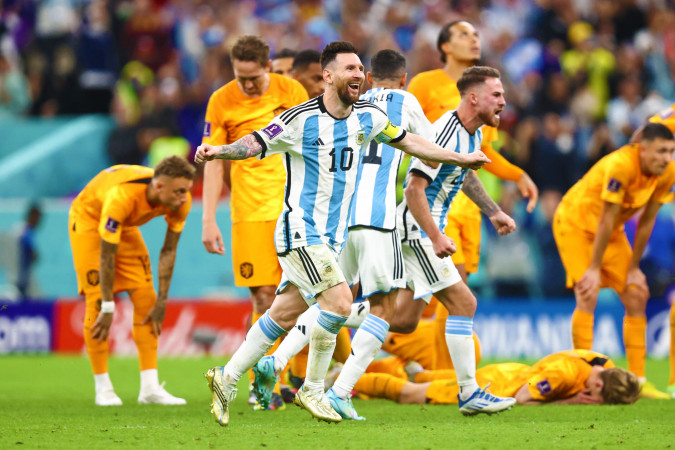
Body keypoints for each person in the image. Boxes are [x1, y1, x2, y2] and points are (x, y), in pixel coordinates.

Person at [195, 41, 490, 426]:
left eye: (359, 69)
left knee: (283, 314)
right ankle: (314, 390)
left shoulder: (367, 117)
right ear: (328, 76)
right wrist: (219, 151)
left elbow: (410, 141)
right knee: (338, 303)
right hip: (300, 230)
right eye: (348, 69)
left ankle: (227, 376)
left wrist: (460, 158)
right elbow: (254, 142)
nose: (357, 75)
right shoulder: (299, 119)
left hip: (333, 238)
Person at [253, 49, 435, 420]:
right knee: (384, 308)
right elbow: (431, 152)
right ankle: (340, 391)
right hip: (378, 219)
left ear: (367, 78)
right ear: (403, 79)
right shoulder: (405, 102)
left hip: (339, 223)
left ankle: (278, 359)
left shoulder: (354, 105)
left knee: (330, 301)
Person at [394, 65, 517, 415]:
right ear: (473, 97)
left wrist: (493, 211)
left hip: (423, 229)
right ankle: (469, 392)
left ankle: (327, 316)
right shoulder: (444, 133)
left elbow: (464, 176)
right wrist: (435, 236)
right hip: (418, 229)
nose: (503, 102)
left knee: (403, 320)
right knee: (464, 303)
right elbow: (413, 189)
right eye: (496, 95)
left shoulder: (473, 133)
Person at [200, 36, 308, 409]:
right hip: (248, 214)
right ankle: (260, 385)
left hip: (293, 209)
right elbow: (213, 160)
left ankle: (297, 378)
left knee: (304, 295)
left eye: (253, 78)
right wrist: (208, 219)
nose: (246, 85)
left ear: (267, 66)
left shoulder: (291, 91)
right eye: (240, 77)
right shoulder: (221, 100)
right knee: (263, 298)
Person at [553, 122, 675, 400]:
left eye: (671, 151)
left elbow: (647, 221)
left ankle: (638, 381)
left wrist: (633, 269)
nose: (667, 158)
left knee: (637, 293)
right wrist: (594, 269)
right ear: (642, 149)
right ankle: (583, 379)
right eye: (661, 151)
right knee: (588, 292)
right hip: (575, 224)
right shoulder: (621, 165)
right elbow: (606, 218)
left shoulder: (668, 172)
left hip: (611, 232)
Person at [68, 156, 195, 406]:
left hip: (123, 225)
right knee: (97, 303)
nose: (184, 197)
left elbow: (169, 250)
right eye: (179, 191)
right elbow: (107, 256)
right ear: (159, 186)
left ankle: (150, 388)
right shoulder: (122, 197)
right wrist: (108, 306)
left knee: (147, 300)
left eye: (186, 190)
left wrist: (162, 301)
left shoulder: (181, 201)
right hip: (88, 220)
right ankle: (103, 389)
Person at [352, 350, 640, 407]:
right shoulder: (562, 375)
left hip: (507, 371)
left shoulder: (604, 365)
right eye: (598, 398)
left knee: (422, 380)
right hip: (494, 386)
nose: (593, 401)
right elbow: (523, 399)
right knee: (410, 395)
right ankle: (344, 380)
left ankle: (411, 371)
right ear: (598, 385)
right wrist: (569, 402)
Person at [16, 203, 41, 300]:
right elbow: (27, 245)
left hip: (24, 276)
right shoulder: (25, 230)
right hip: (21, 276)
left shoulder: (27, 230)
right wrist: (33, 253)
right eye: (37, 217)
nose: (38, 220)